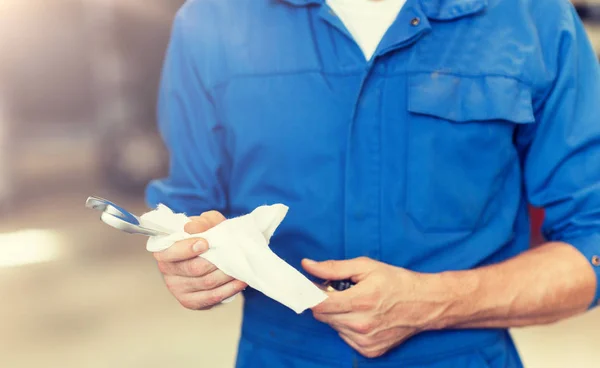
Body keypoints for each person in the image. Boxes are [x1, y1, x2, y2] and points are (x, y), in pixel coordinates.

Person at [146, 0, 600, 366]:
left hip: (462, 355)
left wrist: (436, 301)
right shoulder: (211, 21)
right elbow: (185, 212)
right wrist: (190, 261)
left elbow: (592, 243)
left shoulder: (533, 18)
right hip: (278, 353)